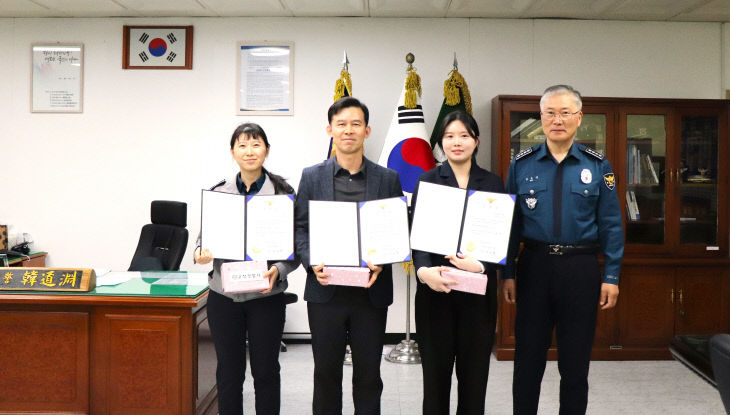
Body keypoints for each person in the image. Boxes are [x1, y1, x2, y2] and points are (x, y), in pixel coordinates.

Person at [503, 85, 624, 414]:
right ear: (540, 118)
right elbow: (510, 225)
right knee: (527, 362)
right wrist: (509, 273)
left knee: (575, 364)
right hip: (534, 267)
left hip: (580, 269)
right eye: (550, 113)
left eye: (565, 112)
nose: (558, 120)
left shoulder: (599, 166)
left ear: (579, 118)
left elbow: (612, 225)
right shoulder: (521, 165)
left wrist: (611, 275)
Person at [294, 96, 403, 415]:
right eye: (341, 124)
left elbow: (397, 232)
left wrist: (383, 260)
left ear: (367, 131)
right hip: (325, 291)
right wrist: (312, 262)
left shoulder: (387, 178)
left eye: (356, 124)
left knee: (369, 377)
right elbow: (300, 228)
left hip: (371, 292)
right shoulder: (312, 176)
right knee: (326, 375)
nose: (348, 130)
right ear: (330, 129)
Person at [194, 122, 299, 415]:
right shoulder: (218, 192)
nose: (249, 151)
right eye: (242, 145)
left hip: (265, 297)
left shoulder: (283, 193)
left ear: (266, 150)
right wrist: (199, 253)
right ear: (232, 152)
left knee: (265, 371)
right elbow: (203, 240)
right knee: (229, 372)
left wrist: (279, 268)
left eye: (255, 144)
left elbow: (296, 247)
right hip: (224, 298)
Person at [411, 110, 506, 415]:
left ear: (476, 141)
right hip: (435, 295)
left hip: (477, 298)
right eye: (450, 136)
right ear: (441, 142)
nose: (456, 142)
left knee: (474, 381)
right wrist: (425, 273)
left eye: (464, 135)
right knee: (435, 383)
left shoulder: (492, 183)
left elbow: (500, 239)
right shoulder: (428, 180)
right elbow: (418, 239)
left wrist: (480, 267)